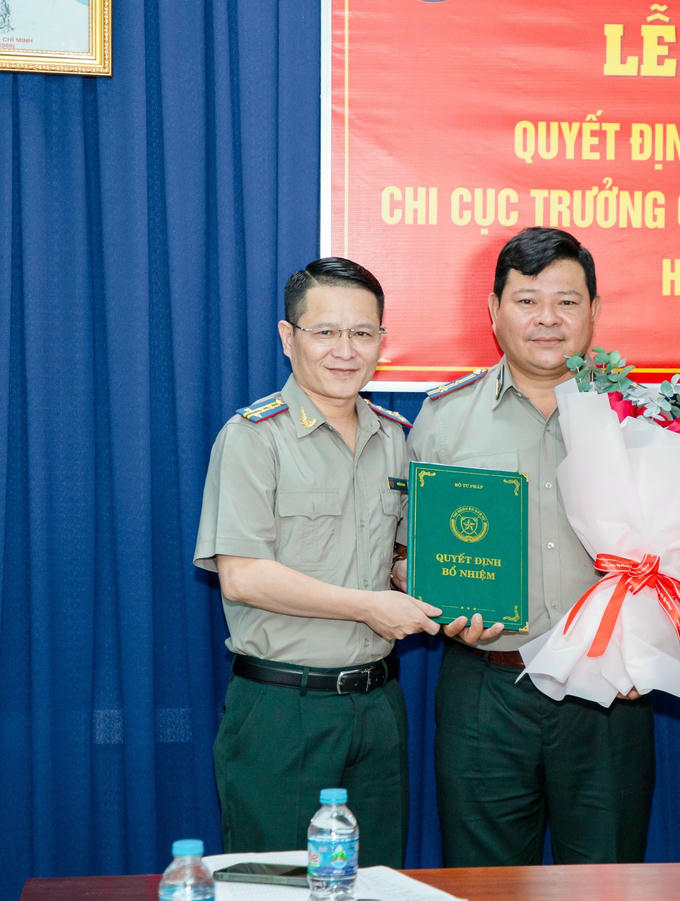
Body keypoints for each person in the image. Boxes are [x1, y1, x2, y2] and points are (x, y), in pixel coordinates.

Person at [394, 227, 655, 866]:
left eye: (567, 301)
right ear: (494, 310)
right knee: (483, 882)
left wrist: (650, 640)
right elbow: (404, 552)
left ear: (594, 311)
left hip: (607, 692)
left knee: (606, 881)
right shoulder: (444, 417)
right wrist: (428, 597)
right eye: (527, 300)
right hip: (486, 686)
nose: (548, 319)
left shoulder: (641, 417)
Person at [194, 257, 441, 863]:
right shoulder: (254, 437)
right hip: (284, 708)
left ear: (382, 340)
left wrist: (417, 577)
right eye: (325, 332)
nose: (345, 350)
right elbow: (243, 576)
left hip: (378, 707)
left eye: (362, 333)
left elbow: (398, 554)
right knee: (275, 884)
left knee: (378, 881)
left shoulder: (395, 436)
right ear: (289, 337)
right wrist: (368, 607)